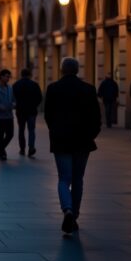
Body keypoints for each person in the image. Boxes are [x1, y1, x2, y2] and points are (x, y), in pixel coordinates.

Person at [44, 57, 101, 235]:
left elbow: (48, 115)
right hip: (83, 141)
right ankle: (74, 216)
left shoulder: (53, 89)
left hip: (61, 140)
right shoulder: (89, 89)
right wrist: (91, 135)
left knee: (63, 178)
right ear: (77, 70)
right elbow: (96, 117)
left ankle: (67, 209)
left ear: (62, 70)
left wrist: (55, 131)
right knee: (78, 179)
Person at [12, 69, 43, 157]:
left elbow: (13, 97)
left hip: (20, 111)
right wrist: (34, 105)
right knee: (31, 130)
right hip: (31, 111)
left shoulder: (16, 85)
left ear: (21, 75)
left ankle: (22, 149)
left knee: (21, 130)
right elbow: (39, 97)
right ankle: (31, 148)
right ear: (30, 75)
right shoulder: (34, 85)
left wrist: (17, 105)